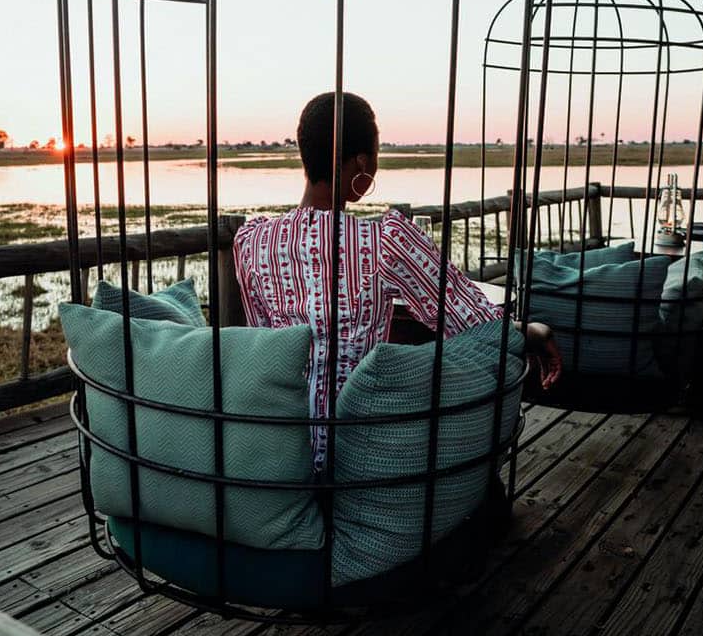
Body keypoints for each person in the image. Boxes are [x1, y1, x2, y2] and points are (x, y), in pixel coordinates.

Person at [233, 91, 562, 466]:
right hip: (355, 451)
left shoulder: (252, 241)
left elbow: (261, 343)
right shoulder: (383, 241)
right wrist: (533, 331)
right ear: (360, 161)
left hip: (277, 451)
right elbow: (474, 322)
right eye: (374, 156)